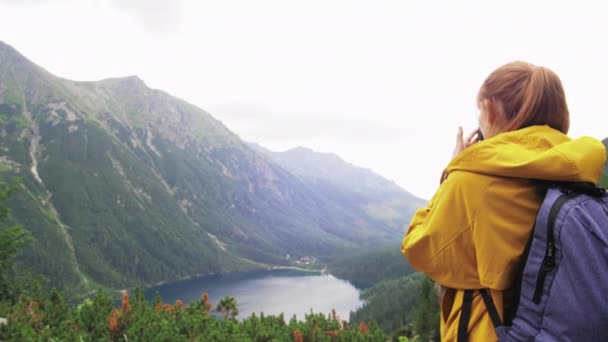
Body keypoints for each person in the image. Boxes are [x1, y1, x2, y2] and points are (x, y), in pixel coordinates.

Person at [401, 61, 606, 341]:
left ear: (490, 109)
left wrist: (451, 172)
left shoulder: (474, 183)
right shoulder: (576, 170)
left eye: (480, 110)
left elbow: (419, 248)